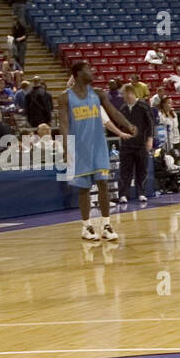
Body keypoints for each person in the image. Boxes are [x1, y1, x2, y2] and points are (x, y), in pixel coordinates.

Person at [58, 61, 136, 242]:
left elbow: (114, 113)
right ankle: (86, 226)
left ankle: (106, 225)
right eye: (88, 70)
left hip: (99, 146)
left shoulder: (98, 94)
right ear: (77, 74)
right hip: (79, 148)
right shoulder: (65, 97)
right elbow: (63, 124)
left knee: (103, 183)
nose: (92, 72)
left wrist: (128, 125)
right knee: (84, 189)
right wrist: (65, 147)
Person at [117, 83, 154, 204]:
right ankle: (123, 194)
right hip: (126, 145)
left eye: (127, 95)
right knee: (125, 171)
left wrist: (150, 139)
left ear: (133, 93)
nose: (126, 98)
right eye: (124, 96)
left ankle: (141, 193)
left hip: (141, 144)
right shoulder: (122, 108)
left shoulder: (143, 106)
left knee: (141, 170)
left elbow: (150, 124)